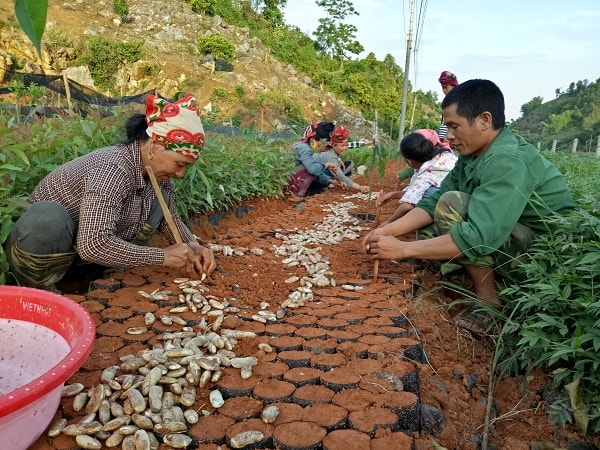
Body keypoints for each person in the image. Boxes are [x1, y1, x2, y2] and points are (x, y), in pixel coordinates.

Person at [363, 79, 576, 332]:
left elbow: (478, 237)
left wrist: (402, 250)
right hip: (514, 235)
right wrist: (389, 231)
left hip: (547, 258)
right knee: (437, 217)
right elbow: (431, 203)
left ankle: (489, 302)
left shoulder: (505, 160)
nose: (448, 137)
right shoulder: (472, 154)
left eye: (454, 126)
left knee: (452, 206)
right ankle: (467, 271)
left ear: (484, 120)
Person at [6, 93, 216, 293]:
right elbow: (92, 245)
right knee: (48, 218)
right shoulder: (112, 169)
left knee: (159, 203)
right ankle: (40, 291)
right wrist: (160, 256)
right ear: (154, 146)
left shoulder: (159, 177)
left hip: (85, 259)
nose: (180, 174)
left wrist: (193, 245)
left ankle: (105, 275)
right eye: (180, 164)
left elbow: (170, 219)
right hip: (49, 253)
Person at [377, 129, 457, 227]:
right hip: (464, 198)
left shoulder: (426, 174)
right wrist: (394, 195)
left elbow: (408, 205)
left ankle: (432, 224)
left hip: (452, 209)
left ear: (409, 162)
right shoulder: (443, 155)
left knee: (427, 194)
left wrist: (389, 222)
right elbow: (416, 190)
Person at [283, 121, 339, 201]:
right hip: (288, 180)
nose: (320, 144)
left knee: (315, 166)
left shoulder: (301, 145)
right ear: (312, 139)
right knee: (312, 168)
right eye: (319, 140)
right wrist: (327, 164)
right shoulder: (304, 149)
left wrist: (330, 181)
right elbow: (312, 170)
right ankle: (294, 194)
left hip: (287, 178)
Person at [312, 126, 369, 193]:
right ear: (334, 145)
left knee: (350, 166)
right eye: (342, 146)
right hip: (310, 179)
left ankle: (333, 183)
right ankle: (323, 187)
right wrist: (359, 187)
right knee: (338, 173)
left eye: (346, 145)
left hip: (315, 174)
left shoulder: (331, 151)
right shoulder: (331, 156)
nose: (345, 148)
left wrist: (338, 160)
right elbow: (340, 175)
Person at [437, 70, 459, 141]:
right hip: (443, 139)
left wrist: (448, 138)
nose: (444, 91)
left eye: (446, 87)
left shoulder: (457, 102)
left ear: (454, 86)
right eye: (443, 88)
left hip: (450, 140)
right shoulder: (447, 101)